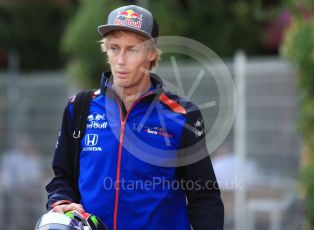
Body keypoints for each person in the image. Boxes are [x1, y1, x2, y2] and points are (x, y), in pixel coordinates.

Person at [46, 4, 224, 230]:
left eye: (132, 50)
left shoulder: (181, 115)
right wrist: (61, 202)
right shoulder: (79, 107)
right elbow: (62, 177)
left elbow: (204, 197)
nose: (120, 60)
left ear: (151, 53)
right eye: (114, 48)